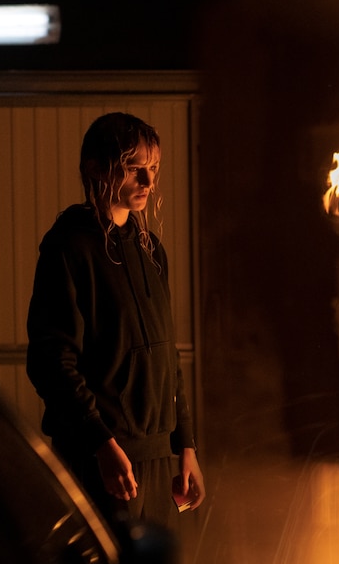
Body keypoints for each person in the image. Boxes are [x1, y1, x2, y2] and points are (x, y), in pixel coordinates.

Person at [26, 112, 205, 531]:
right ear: (95, 168)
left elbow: (167, 356)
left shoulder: (151, 250)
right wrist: (100, 443)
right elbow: (52, 362)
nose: (148, 181)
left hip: (158, 458)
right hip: (102, 459)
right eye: (133, 167)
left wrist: (186, 445)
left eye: (153, 168)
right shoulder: (69, 248)